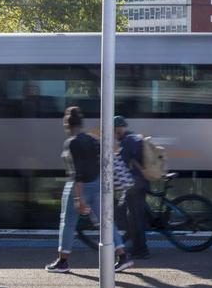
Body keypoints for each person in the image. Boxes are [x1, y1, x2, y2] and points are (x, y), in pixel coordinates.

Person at [45, 107, 133, 273]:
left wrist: (78, 198)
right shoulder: (92, 139)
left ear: (67, 124)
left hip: (79, 187)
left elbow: (78, 173)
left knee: (68, 223)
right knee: (106, 223)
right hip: (97, 183)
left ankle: (62, 261)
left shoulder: (72, 143)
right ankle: (123, 256)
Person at [114, 115, 150, 259]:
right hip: (138, 182)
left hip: (134, 184)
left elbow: (122, 162)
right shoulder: (133, 138)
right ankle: (130, 244)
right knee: (133, 215)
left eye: (115, 128)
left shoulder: (127, 141)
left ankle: (141, 250)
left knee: (135, 218)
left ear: (118, 128)